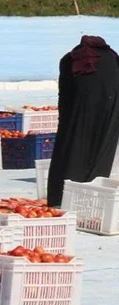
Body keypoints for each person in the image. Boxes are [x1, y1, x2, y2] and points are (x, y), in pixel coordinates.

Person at [47, 35, 119, 206]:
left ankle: (63, 196)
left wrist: (64, 118)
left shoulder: (70, 59)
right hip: (110, 111)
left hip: (78, 111)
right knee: (101, 150)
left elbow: (64, 93)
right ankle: (93, 197)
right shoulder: (113, 57)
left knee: (72, 149)